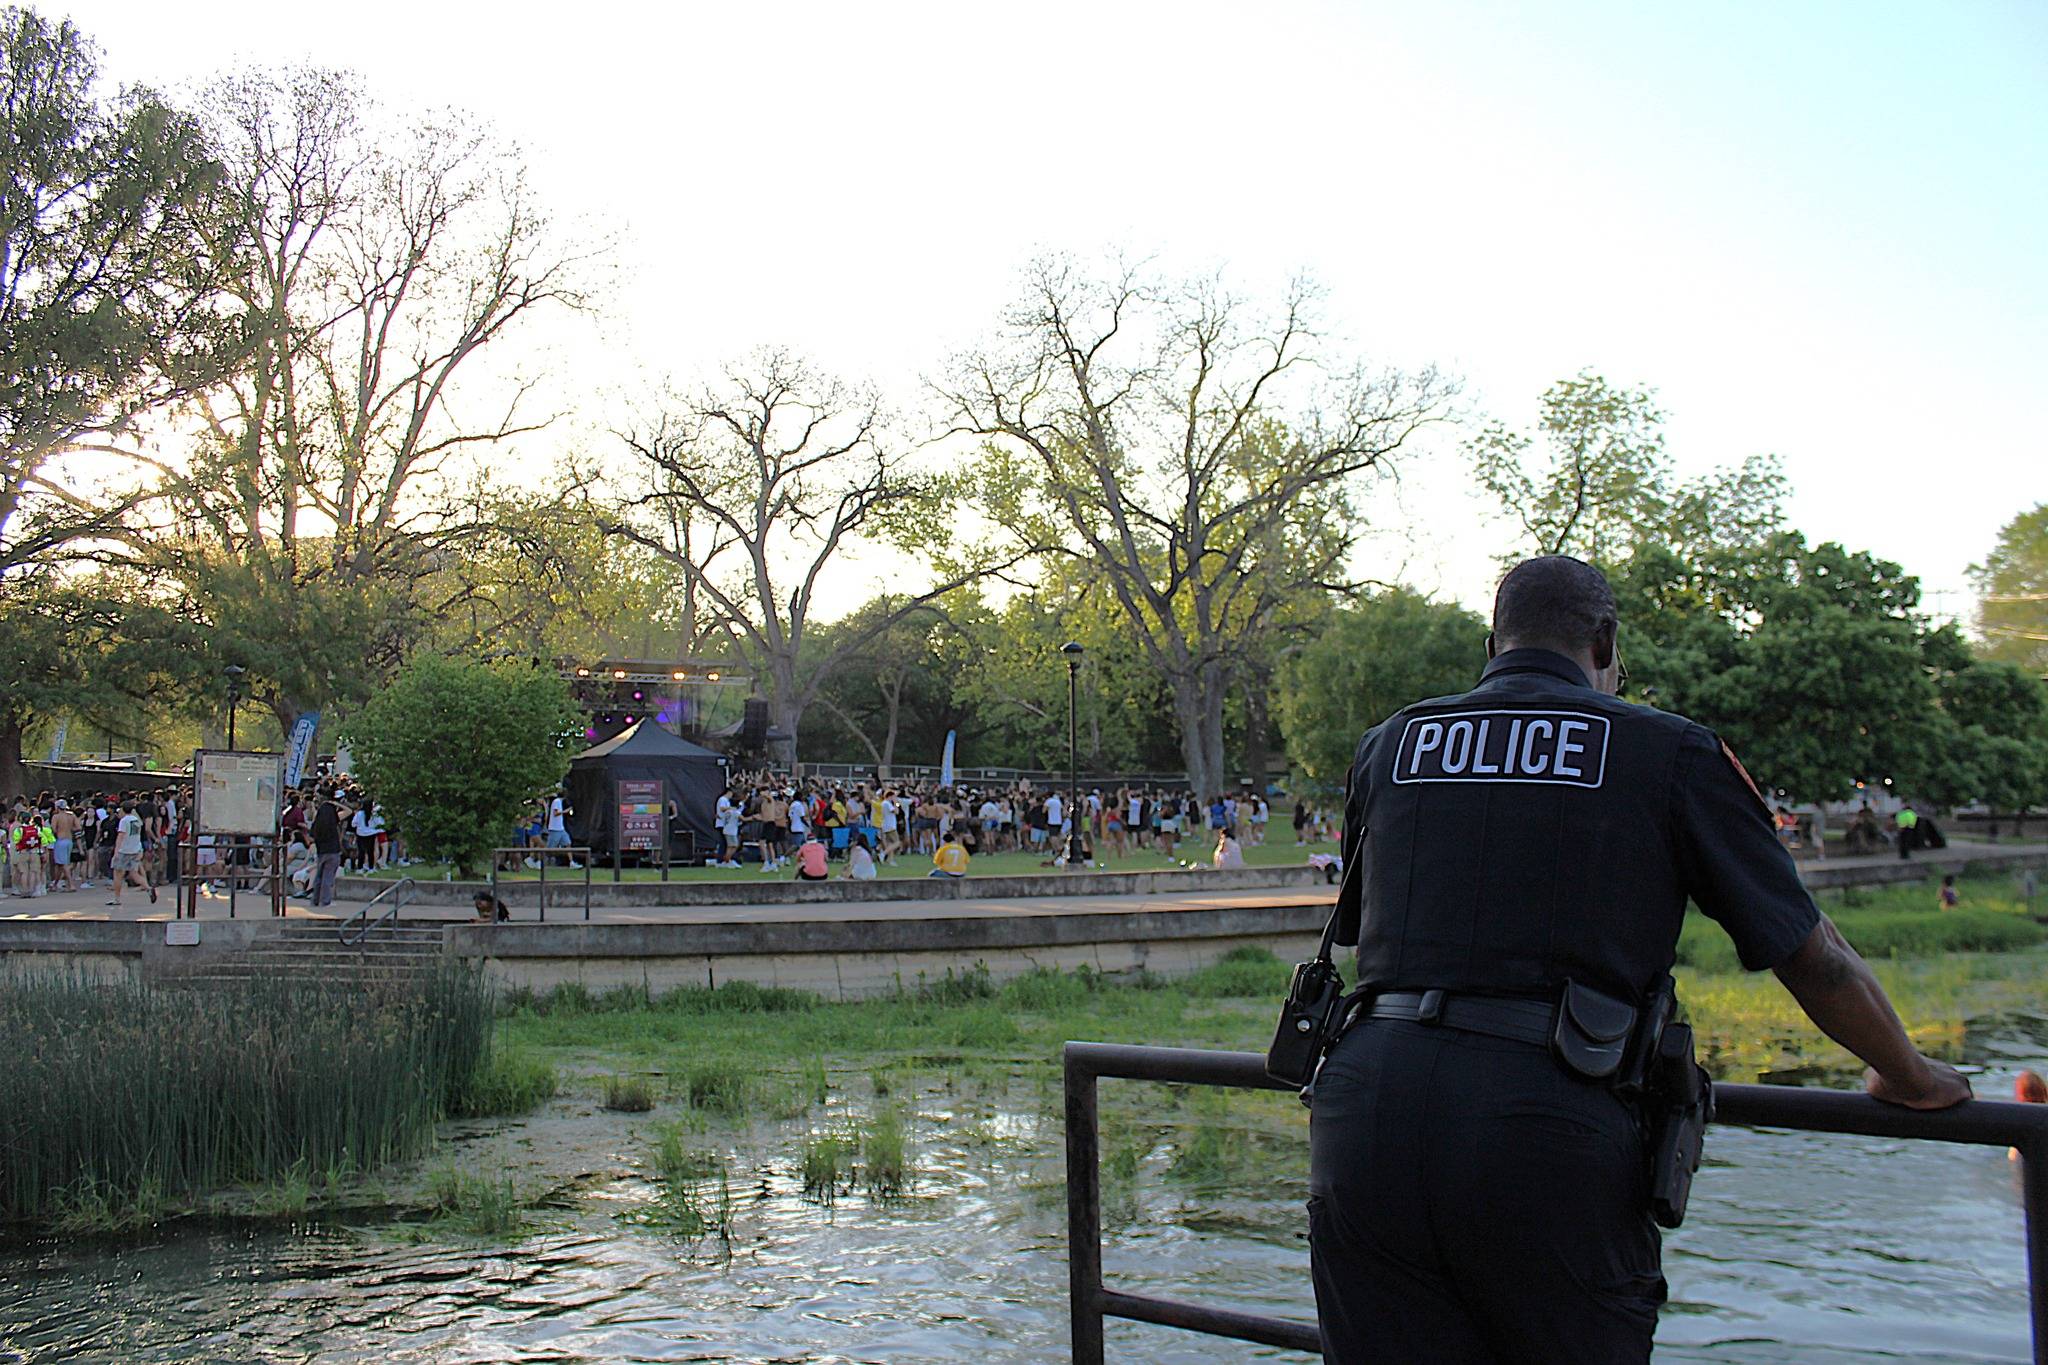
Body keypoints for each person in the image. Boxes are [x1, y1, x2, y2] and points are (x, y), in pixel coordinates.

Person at [1310, 555, 1969, 1364]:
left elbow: (1360, 926)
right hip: (1548, 1125)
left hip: (1365, 1114)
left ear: (1493, 644)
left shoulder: (1391, 742)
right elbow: (1814, 955)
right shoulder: (1670, 750)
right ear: (1605, 642)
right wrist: (1910, 1074)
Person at [106, 801, 155, 908]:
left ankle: (117, 898)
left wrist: (116, 852)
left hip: (124, 850)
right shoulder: (136, 820)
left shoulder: (124, 821)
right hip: (135, 849)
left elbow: (120, 836)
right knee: (134, 873)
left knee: (118, 874)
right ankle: (148, 888)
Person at [310, 792, 344, 908]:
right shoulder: (333, 821)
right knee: (328, 877)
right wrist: (335, 803)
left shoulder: (318, 822)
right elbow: (349, 811)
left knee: (319, 877)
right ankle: (325, 901)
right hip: (333, 850)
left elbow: (312, 835)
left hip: (321, 850)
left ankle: (315, 899)